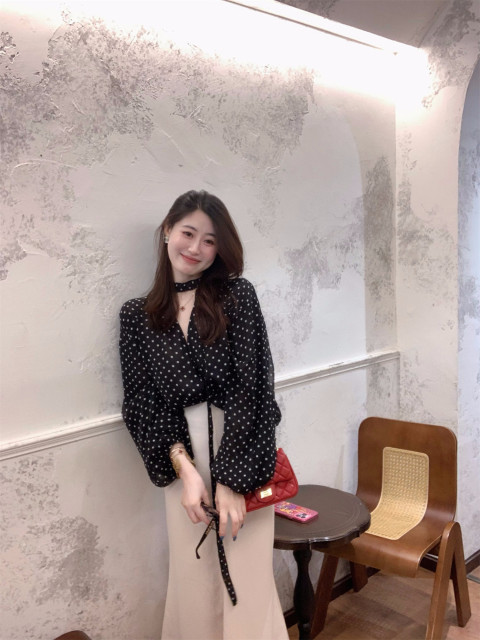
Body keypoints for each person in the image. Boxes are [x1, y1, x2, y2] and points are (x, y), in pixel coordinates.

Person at [119, 190, 289, 640]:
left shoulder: (236, 295)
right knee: (193, 581)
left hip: (243, 453)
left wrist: (232, 481)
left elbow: (254, 387)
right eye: (188, 233)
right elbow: (142, 403)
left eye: (210, 240)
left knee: (247, 582)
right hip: (182, 462)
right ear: (167, 231)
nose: (195, 248)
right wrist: (186, 471)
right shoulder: (137, 316)